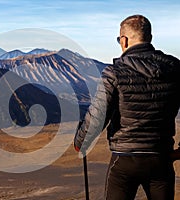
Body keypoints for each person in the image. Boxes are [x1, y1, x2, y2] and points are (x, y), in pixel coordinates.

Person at [74, 14, 180, 200]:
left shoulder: (114, 72)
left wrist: (81, 142)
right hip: (161, 158)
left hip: (125, 160)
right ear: (150, 39)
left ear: (123, 40)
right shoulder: (174, 68)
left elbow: (98, 116)